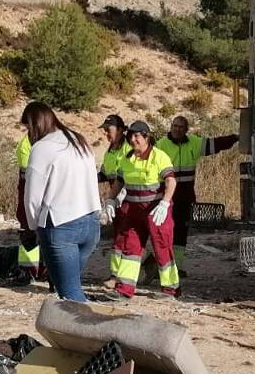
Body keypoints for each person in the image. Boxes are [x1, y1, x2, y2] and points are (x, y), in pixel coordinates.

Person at [21, 101, 102, 303]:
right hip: (91, 223)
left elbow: (32, 197)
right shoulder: (78, 140)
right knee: (69, 287)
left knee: (71, 295)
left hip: (61, 226)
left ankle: (91, 331)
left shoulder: (42, 148)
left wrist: (32, 228)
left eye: (28, 128)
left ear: (35, 124)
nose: (27, 134)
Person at [105, 120, 180, 297]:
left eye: (137, 136)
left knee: (162, 246)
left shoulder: (159, 156)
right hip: (132, 210)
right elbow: (119, 182)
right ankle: (124, 289)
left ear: (146, 137)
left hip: (155, 210)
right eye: (131, 136)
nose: (133, 139)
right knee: (130, 248)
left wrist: (165, 203)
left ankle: (170, 289)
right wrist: (110, 200)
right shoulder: (127, 158)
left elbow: (170, 181)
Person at [156, 115, 239, 268]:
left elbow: (215, 144)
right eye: (174, 125)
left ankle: (177, 266)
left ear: (186, 130)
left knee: (181, 231)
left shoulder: (194, 142)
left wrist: (235, 138)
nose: (177, 129)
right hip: (166, 196)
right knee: (164, 230)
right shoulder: (161, 145)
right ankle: (161, 263)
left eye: (181, 127)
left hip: (185, 197)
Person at [97, 114, 132, 286]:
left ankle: (117, 276)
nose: (105, 133)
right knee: (118, 234)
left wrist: (117, 196)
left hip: (127, 195)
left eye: (108, 130)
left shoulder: (128, 148)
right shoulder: (110, 150)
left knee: (123, 235)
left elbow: (128, 175)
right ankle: (116, 274)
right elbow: (105, 173)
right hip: (115, 194)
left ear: (119, 130)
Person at [14, 126, 45, 281]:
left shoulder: (37, 142)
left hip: (33, 188)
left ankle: (32, 272)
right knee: (30, 231)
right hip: (29, 187)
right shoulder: (30, 142)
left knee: (35, 231)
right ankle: (30, 271)